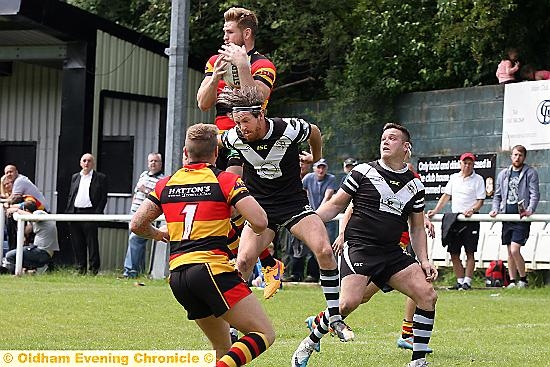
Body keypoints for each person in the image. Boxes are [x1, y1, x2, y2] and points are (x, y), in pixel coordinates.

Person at [292, 123, 437, 367]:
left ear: (406, 147)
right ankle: (309, 342)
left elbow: (416, 227)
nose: (386, 141)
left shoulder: (415, 185)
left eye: (392, 138)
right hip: (360, 248)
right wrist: (310, 219)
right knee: (349, 303)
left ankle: (418, 361)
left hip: (392, 254)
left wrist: (424, 260)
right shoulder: (363, 172)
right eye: (383, 138)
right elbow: (337, 205)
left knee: (428, 295)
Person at [130, 123, 274, 366]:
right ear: (216, 154)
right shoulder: (226, 180)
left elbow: (136, 225)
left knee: (222, 347)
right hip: (211, 271)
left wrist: (159, 234)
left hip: (178, 277)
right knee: (263, 334)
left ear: (185, 153)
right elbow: (260, 222)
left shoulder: (165, 184)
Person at [218, 87, 353, 341]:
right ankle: (232, 328)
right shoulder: (233, 137)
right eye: (238, 122)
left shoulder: (289, 128)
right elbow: (215, 143)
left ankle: (334, 318)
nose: (242, 127)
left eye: (246, 121)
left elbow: (314, 130)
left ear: (261, 115)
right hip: (260, 209)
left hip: (293, 204)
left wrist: (316, 156)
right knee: (244, 262)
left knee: (324, 250)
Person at [196, 6, 276, 175]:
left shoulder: (263, 65)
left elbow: (256, 100)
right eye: (224, 32)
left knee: (236, 190)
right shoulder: (215, 62)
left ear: (246, 34)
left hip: (250, 139)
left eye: (230, 32)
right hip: (220, 140)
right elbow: (203, 104)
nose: (225, 37)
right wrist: (215, 77)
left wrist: (242, 67)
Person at [427, 152, 486, 290]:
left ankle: (467, 282)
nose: (467, 166)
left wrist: (472, 210)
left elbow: (480, 201)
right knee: (454, 252)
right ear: (460, 164)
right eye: (465, 163)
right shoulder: (454, 178)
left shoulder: (478, 179)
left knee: (470, 251)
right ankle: (459, 281)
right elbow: (446, 196)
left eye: (470, 163)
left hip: (471, 219)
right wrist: (435, 210)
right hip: (454, 219)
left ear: (473, 165)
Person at [489, 145, 539, 288]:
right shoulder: (503, 174)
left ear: (524, 157)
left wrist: (529, 210)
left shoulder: (530, 173)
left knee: (515, 249)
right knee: (509, 251)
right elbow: (497, 195)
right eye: (515, 155)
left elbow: (534, 194)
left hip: (521, 217)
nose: (517, 158)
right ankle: (511, 280)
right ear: (511, 156)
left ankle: (523, 279)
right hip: (506, 216)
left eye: (520, 155)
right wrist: (495, 210)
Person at [121, 153, 164, 278]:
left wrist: (145, 190)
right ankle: (138, 270)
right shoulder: (143, 175)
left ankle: (129, 272)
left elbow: (156, 197)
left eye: (156, 161)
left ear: (160, 164)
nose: (153, 163)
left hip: (146, 216)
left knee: (134, 240)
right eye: (151, 161)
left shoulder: (162, 180)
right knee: (136, 244)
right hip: (133, 213)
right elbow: (136, 193)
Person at [65, 153, 108, 275]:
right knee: (77, 242)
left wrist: (97, 213)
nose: (86, 163)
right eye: (84, 160)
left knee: (92, 243)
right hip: (75, 212)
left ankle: (94, 269)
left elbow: (103, 198)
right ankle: (80, 268)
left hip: (91, 213)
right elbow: (71, 196)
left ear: (93, 163)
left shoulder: (100, 177)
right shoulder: (75, 177)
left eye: (89, 161)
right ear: (80, 163)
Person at [299, 158, 338, 282]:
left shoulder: (331, 179)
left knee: (328, 247)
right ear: (314, 168)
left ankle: (331, 275)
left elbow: (328, 196)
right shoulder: (308, 178)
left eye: (323, 167)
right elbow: (302, 193)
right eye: (319, 167)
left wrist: (318, 214)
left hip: (327, 218)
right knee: (312, 247)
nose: (321, 170)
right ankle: (313, 275)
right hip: (311, 217)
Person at [2, 199, 59, 274]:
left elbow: (34, 218)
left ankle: (12, 273)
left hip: (42, 252)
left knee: (10, 255)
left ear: (26, 210)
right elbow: (26, 231)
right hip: (42, 251)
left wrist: (17, 211)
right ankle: (34, 270)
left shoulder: (39, 213)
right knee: (17, 253)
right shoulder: (34, 219)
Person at [3, 165, 48, 251]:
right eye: (7, 173)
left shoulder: (19, 181)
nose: (9, 174)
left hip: (40, 211)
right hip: (32, 212)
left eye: (11, 171)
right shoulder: (19, 180)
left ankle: (14, 254)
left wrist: (9, 205)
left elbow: (13, 199)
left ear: (17, 172)